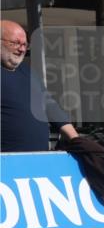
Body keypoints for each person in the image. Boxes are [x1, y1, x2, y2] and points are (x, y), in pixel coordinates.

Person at [1, 20, 78, 151]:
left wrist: (77, 140)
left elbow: (51, 107)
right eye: (15, 43)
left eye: (25, 44)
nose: (22, 49)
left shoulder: (27, 72)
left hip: (39, 161)